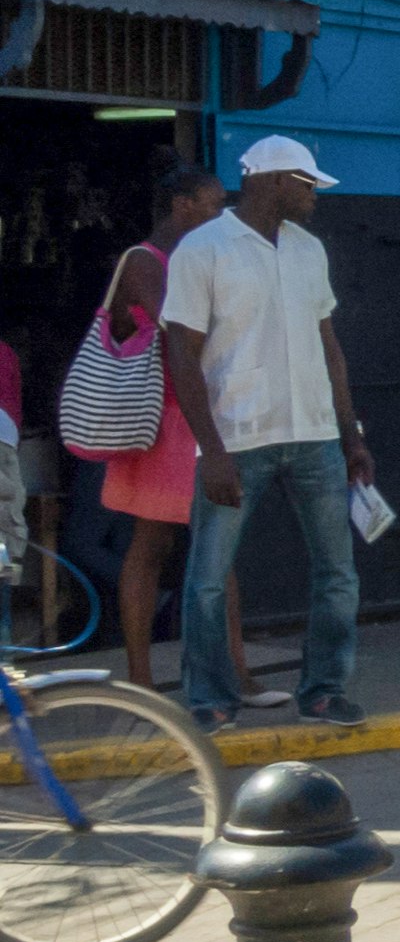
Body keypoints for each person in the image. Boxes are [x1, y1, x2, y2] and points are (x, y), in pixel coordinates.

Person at [162, 134, 376, 730]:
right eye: (306, 183)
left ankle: (324, 691)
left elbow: (329, 347)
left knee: (338, 573)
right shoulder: (202, 250)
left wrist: (351, 434)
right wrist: (211, 450)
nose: (314, 195)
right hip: (237, 438)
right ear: (272, 181)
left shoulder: (310, 250)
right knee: (207, 578)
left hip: (314, 437)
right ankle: (208, 697)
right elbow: (182, 353)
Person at [89, 164, 237, 692]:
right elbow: (180, 328)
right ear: (183, 206)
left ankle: (230, 674)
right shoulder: (144, 262)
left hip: (192, 417)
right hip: (163, 421)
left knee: (212, 546)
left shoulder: (191, 258)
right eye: (213, 204)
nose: (222, 214)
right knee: (155, 547)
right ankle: (142, 681)